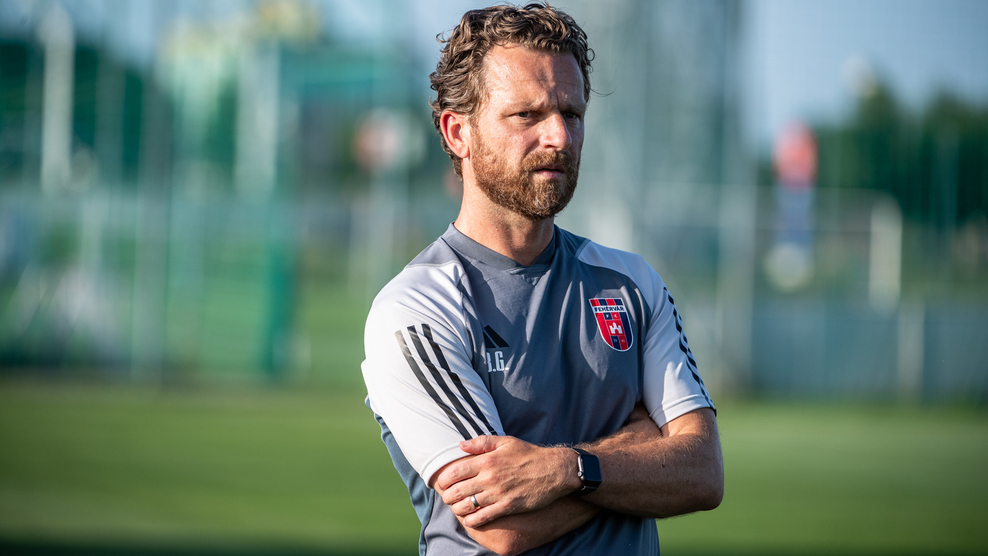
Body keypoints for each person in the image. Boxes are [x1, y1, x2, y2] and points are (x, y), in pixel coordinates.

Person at [361, 3, 723, 555]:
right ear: (458, 132)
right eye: (527, 115)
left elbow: (702, 472)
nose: (558, 136)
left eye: (571, 114)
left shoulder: (631, 283)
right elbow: (503, 527)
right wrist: (642, 448)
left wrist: (564, 470)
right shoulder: (416, 309)